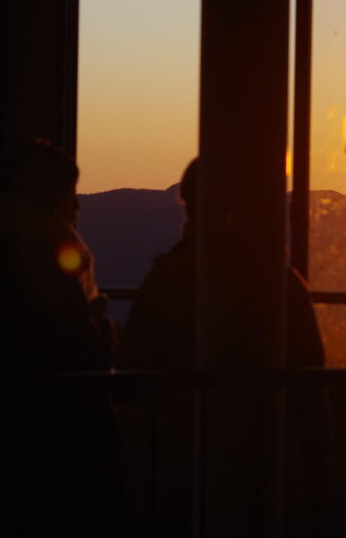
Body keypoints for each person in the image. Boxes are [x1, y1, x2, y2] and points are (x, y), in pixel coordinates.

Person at [117, 157, 327, 537]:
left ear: (192, 204)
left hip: (182, 456)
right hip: (268, 454)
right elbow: (311, 369)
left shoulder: (167, 280)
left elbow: (134, 367)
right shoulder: (280, 283)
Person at [0, 139, 120, 537]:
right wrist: (99, 324)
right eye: (70, 195)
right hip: (61, 443)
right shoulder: (45, 253)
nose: (76, 207)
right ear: (47, 198)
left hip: (2, 439)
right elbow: (76, 346)